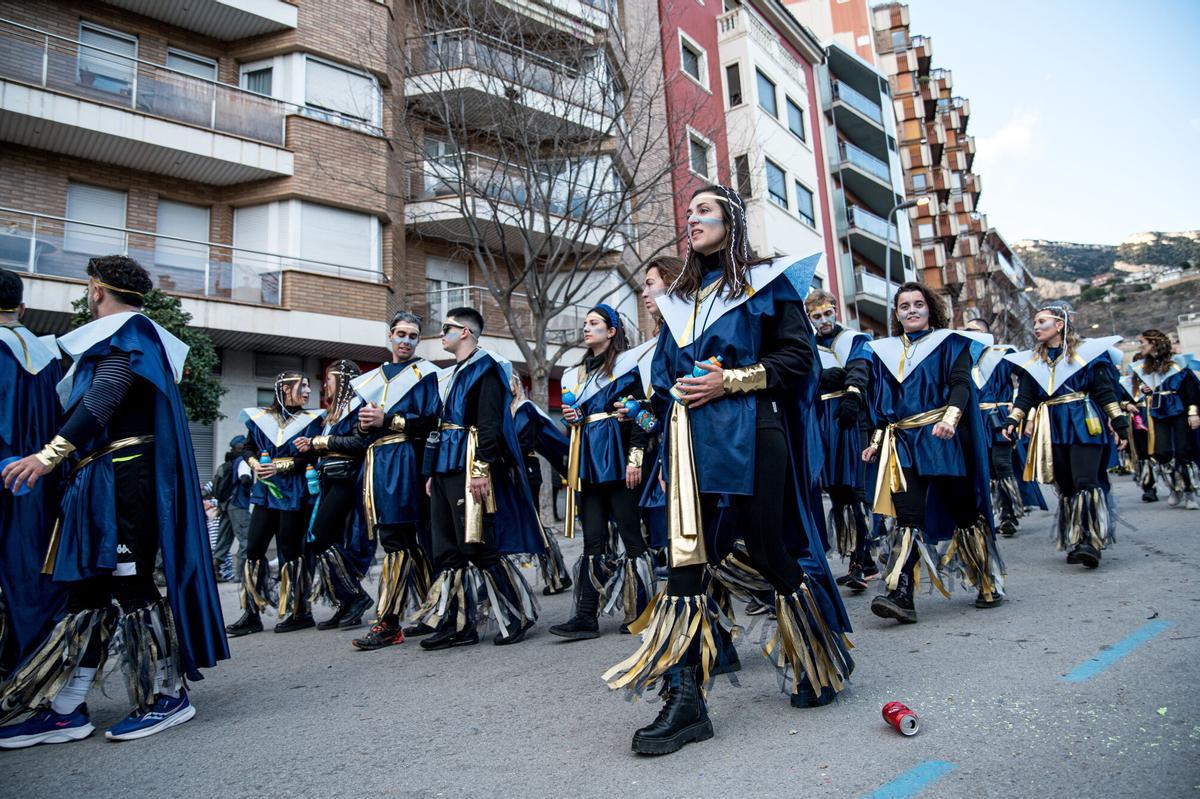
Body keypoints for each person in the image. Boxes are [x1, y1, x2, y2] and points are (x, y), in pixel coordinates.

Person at [603, 185, 850, 756]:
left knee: (766, 548)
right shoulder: (679, 304)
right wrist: (653, 425)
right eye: (689, 213)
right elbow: (665, 380)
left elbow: (798, 360)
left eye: (704, 211)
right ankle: (686, 702)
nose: (692, 220)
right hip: (690, 440)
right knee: (686, 564)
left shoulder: (767, 286)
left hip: (754, 431)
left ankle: (817, 657)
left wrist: (730, 380)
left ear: (730, 222)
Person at [0, 255, 226, 747]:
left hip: (126, 477)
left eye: (89, 287)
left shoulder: (132, 332)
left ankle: (168, 695)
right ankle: (66, 709)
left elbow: (104, 398)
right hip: (97, 479)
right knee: (85, 593)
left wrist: (47, 456)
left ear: (97, 290)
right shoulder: (112, 337)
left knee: (132, 584)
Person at [861, 282, 1004, 625]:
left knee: (964, 513)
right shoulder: (884, 353)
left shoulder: (950, 342)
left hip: (941, 439)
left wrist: (951, 419)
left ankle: (986, 580)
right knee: (907, 519)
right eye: (904, 306)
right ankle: (900, 594)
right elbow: (881, 404)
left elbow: (960, 384)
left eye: (918, 304)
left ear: (930, 309)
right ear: (896, 314)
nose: (911, 310)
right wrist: (876, 442)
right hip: (903, 442)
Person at [412, 308, 542, 650]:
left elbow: (489, 424)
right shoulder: (451, 374)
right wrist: (432, 472)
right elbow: (439, 427)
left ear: (465, 332)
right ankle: (458, 624)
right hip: (445, 467)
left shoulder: (487, 368)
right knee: (446, 549)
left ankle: (516, 614)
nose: (442, 334)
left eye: (447, 328)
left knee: (477, 544)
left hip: (468, 464)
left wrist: (481, 468)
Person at [549, 306, 656, 641]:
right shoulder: (575, 374)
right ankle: (585, 616)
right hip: (588, 462)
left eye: (594, 323)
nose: (586, 327)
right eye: (585, 323)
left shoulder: (627, 366)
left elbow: (642, 414)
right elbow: (579, 418)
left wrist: (635, 459)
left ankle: (642, 610)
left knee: (631, 535)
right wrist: (572, 417)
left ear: (611, 331)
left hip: (620, 458)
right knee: (592, 539)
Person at [1002, 301, 1128, 568]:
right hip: (1052, 426)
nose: (1036, 327)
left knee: (1085, 480)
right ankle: (1076, 537)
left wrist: (1119, 423)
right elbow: (1025, 396)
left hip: (1084, 422)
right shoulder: (1034, 362)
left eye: (1042, 322)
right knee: (1067, 485)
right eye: (1034, 323)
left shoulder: (1088, 354)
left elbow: (1105, 391)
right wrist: (1013, 420)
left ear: (1059, 325)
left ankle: (1091, 540)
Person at [350, 311, 441, 651]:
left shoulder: (427, 374)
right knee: (404, 542)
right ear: (389, 336)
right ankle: (434, 610)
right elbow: (361, 429)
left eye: (413, 336)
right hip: (377, 462)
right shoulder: (372, 378)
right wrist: (364, 424)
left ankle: (389, 622)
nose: (406, 341)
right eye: (401, 334)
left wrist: (388, 420)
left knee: (396, 541)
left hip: (405, 461)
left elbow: (432, 421)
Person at [0, 268, 65, 679]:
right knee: (35, 576)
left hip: (6, 474)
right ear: (21, 308)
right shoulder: (50, 356)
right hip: (41, 480)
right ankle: (37, 673)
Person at [225, 372, 324, 636]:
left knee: (290, 550)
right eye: (302, 386)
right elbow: (247, 448)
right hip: (265, 492)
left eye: (308, 386)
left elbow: (313, 455)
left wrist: (281, 466)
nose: (307, 391)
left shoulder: (312, 421)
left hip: (295, 492)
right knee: (254, 548)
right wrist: (255, 464)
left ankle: (300, 611)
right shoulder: (262, 419)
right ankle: (251, 612)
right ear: (285, 389)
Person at [295, 360, 374, 630]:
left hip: (346, 480)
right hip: (329, 479)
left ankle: (355, 595)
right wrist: (311, 445)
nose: (325, 385)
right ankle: (346, 601)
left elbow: (359, 442)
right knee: (327, 539)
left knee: (320, 536)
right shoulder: (333, 413)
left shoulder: (358, 407)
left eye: (329, 380)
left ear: (341, 381)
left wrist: (318, 442)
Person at [805, 289, 876, 590]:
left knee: (855, 490)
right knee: (837, 493)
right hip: (823, 420)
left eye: (827, 313)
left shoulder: (853, 339)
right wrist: (824, 377)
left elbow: (859, 371)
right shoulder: (808, 345)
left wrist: (851, 393)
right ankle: (859, 560)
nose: (823, 320)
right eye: (817, 316)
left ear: (836, 310)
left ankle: (863, 560)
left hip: (850, 418)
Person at [510, 376, 573, 596]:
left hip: (525, 472)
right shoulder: (507, 410)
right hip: (513, 472)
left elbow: (524, 441)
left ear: (515, 385)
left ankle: (557, 575)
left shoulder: (525, 409)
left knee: (534, 523)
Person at [963, 317, 1025, 538]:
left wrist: (1017, 407)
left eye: (974, 330)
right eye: (966, 330)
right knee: (982, 467)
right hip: (974, 418)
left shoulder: (1002, 353)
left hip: (998, 417)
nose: (970, 333)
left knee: (1002, 464)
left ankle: (1009, 514)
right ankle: (986, 514)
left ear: (986, 333)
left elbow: (1027, 377)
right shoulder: (963, 358)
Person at [1128, 329, 1200, 509]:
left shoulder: (1178, 362)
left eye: (1143, 342)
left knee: (1183, 451)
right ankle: (1175, 486)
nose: (1140, 346)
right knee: (1161, 452)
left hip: (1179, 410)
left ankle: (1189, 490)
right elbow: (1144, 389)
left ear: (1153, 343)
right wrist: (1146, 390)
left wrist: (1193, 413)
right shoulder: (1145, 366)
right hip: (1159, 411)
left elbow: (1192, 389)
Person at [211, 435, 252, 579]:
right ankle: (240, 575)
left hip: (225, 506)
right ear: (241, 447)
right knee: (246, 538)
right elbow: (245, 479)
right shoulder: (243, 462)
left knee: (223, 539)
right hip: (238, 505)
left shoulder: (229, 462)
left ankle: (214, 571)